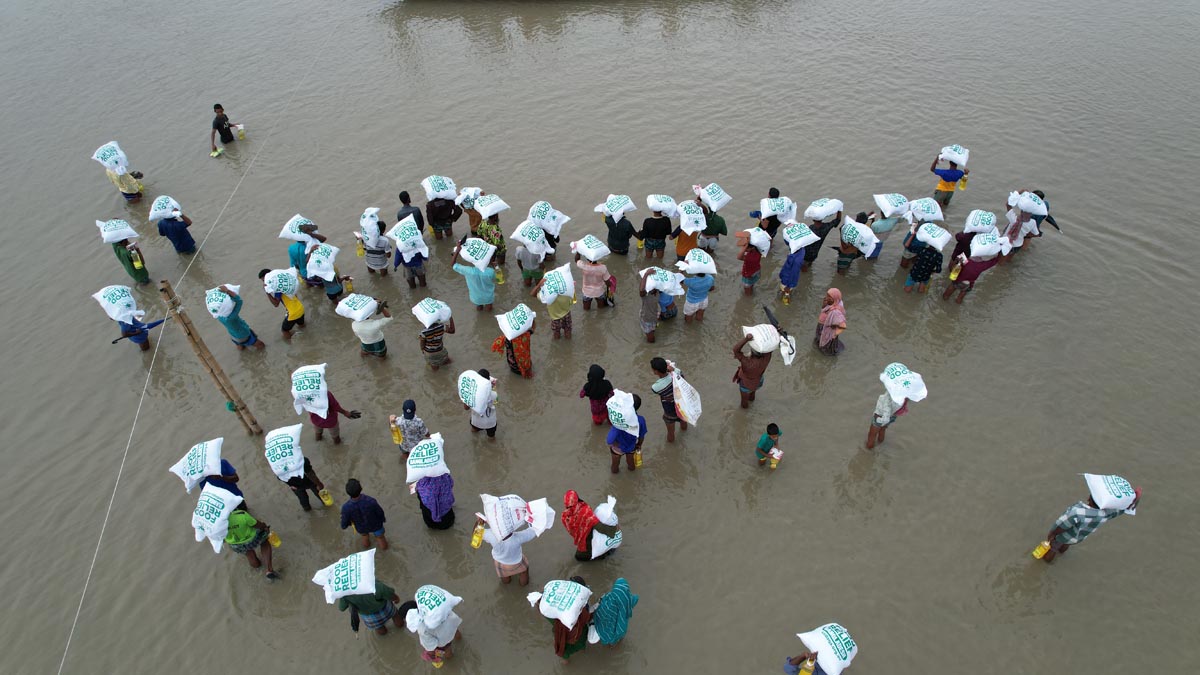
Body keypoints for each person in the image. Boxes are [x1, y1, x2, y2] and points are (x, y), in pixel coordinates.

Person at [1041, 488, 1142, 563]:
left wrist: (1052, 534)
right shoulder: (1106, 513)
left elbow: (1062, 525)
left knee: (1053, 547)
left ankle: (1046, 561)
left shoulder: (1078, 512)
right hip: (1078, 537)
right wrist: (1134, 499)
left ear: (1089, 498)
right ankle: (1061, 552)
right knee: (1066, 544)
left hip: (1064, 536)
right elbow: (1124, 509)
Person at [400, 598, 463, 666]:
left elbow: (431, 645)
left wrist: (431, 654)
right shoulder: (432, 606)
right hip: (451, 622)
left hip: (443, 636)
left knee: (447, 649)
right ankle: (460, 639)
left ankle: (451, 660)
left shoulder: (422, 628)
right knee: (455, 630)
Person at [478, 516, 538, 586]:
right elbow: (534, 530)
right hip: (516, 563)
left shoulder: (490, 535)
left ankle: (506, 583)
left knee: (504, 575)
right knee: (524, 571)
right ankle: (523, 584)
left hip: (499, 562)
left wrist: (480, 523)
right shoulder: (519, 537)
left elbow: (476, 532)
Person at [562, 492, 621, 559]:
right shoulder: (585, 512)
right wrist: (614, 529)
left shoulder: (564, 517)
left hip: (581, 548)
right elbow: (600, 527)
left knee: (578, 558)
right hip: (589, 549)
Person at [223, 508, 278, 579]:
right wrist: (265, 527)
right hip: (250, 539)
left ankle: (258, 567)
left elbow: (221, 539)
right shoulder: (240, 514)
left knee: (249, 553)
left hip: (235, 544)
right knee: (264, 541)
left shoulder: (215, 524)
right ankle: (269, 570)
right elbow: (258, 524)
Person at [549, 576, 593, 661]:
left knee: (564, 651)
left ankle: (566, 662)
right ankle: (583, 652)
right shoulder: (585, 597)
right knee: (581, 645)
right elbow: (587, 616)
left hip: (567, 635)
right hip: (581, 632)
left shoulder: (562, 606)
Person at [340, 478, 389, 550]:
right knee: (380, 537)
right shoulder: (371, 501)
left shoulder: (346, 508)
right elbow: (379, 512)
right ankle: (384, 550)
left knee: (365, 537)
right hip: (376, 524)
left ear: (348, 492)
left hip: (361, 527)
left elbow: (344, 521)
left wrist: (345, 525)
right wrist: (383, 519)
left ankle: (367, 548)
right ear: (361, 488)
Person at [212, 285, 264, 350]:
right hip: (244, 335)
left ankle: (243, 352)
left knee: (240, 345)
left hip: (233, 336)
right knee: (260, 344)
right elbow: (239, 301)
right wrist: (227, 291)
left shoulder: (218, 315)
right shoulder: (232, 316)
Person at [259, 268, 305, 340]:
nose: (264, 283)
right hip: (300, 308)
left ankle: (291, 344)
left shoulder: (278, 289)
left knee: (284, 331)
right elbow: (295, 294)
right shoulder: (286, 282)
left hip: (293, 313)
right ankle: (306, 335)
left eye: (263, 280)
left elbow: (276, 304)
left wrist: (267, 293)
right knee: (302, 326)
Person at [605, 395, 647, 474]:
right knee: (631, 464)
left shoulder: (618, 421)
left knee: (615, 466)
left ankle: (615, 477)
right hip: (631, 446)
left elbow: (609, 440)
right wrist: (639, 444)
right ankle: (632, 476)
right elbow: (641, 435)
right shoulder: (640, 420)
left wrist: (615, 444)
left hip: (617, 448)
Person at [592, 577, 638, 646]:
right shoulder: (626, 600)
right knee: (616, 638)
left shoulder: (608, 597)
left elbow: (598, 611)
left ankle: (609, 643)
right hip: (614, 630)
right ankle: (613, 643)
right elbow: (621, 629)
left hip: (604, 626)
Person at [650, 358, 687, 442]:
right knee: (684, 421)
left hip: (669, 410)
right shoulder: (677, 372)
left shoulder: (655, 387)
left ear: (656, 371)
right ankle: (684, 433)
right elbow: (681, 376)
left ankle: (672, 445)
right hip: (681, 405)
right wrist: (673, 369)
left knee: (670, 432)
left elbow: (657, 391)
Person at [451, 242, 497, 311]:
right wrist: (496, 266)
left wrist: (457, 251)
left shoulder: (468, 271)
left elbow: (453, 264)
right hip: (488, 296)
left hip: (476, 297)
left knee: (479, 307)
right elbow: (500, 280)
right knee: (489, 308)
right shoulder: (491, 272)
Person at [733, 334, 773, 409]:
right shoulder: (767, 357)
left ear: (752, 351)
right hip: (759, 381)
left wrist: (746, 339)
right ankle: (752, 400)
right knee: (752, 393)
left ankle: (745, 411)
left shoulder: (747, 363)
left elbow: (735, 350)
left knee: (744, 402)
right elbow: (771, 346)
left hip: (746, 384)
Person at [902, 227, 943, 293]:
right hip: (926, 275)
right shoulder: (939, 256)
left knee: (907, 290)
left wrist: (913, 235)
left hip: (915, 273)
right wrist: (932, 271)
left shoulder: (922, 249)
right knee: (921, 290)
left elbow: (908, 247)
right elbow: (938, 270)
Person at [467, 368, 499, 439]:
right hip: (490, 422)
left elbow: (466, 408)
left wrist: (467, 396)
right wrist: (493, 387)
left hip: (476, 421)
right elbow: (496, 402)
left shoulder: (472, 394)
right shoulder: (494, 394)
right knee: (491, 438)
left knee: (474, 431)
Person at [814, 288, 847, 355]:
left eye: (829, 297)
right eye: (827, 295)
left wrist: (834, 334)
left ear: (835, 298)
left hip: (827, 331)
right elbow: (824, 309)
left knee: (826, 347)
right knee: (819, 340)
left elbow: (843, 326)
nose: (827, 297)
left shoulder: (835, 312)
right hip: (822, 327)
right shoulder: (830, 304)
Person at [637, 272, 661, 343]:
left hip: (654, 315)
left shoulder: (657, 291)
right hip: (647, 319)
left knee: (653, 331)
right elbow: (641, 290)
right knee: (651, 340)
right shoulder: (645, 295)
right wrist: (646, 274)